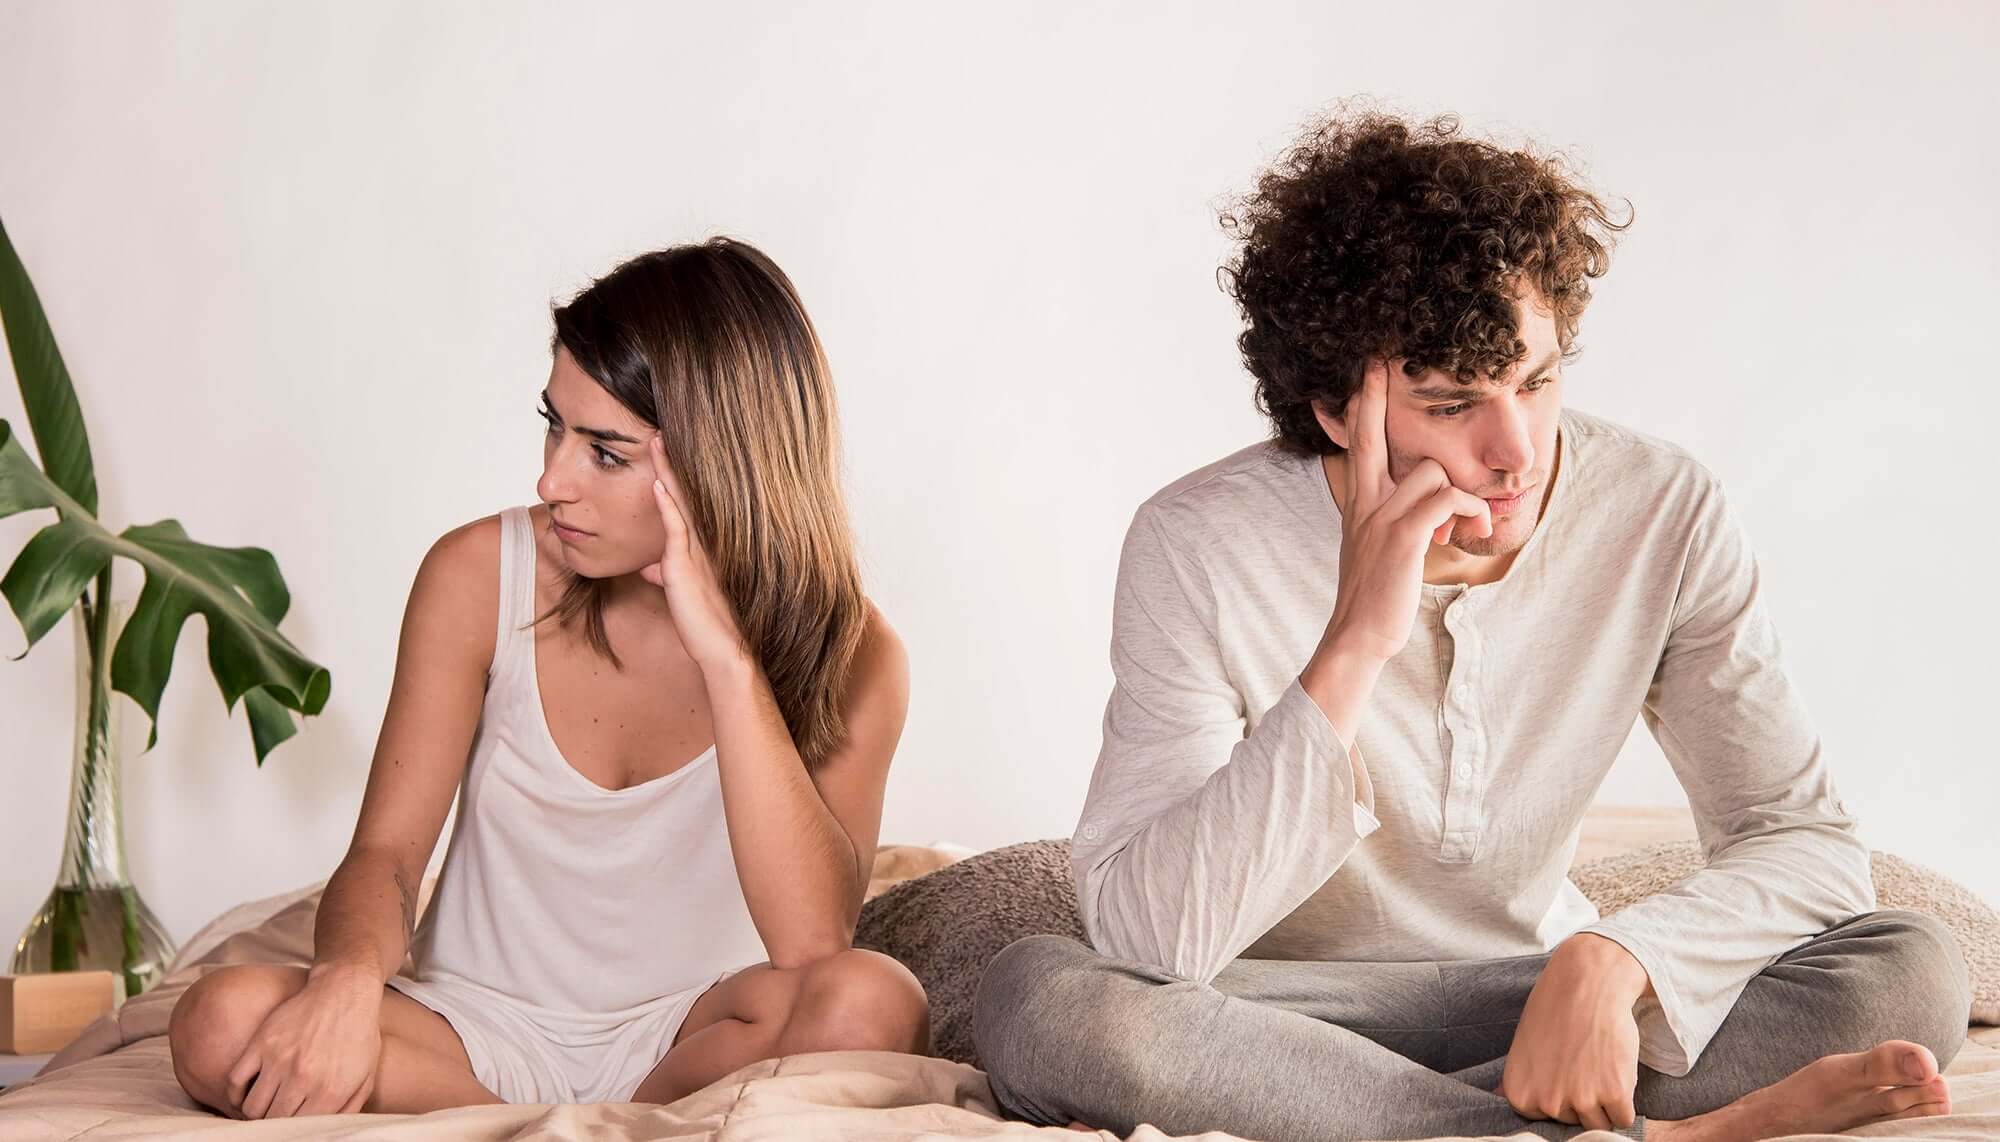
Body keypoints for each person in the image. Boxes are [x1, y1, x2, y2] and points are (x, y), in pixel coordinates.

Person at [972, 111, 1971, 1141]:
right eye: (1452, 405)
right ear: (1333, 411)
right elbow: (1148, 940)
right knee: (1043, 1002)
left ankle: (1499, 1115)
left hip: (1537, 992)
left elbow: (1798, 840)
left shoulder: (1662, 506)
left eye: (1536, 383)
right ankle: (1651, 1134)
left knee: (1909, 966)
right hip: (1271, 1018)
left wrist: (1614, 961)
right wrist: (1354, 640)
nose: (1516, 451)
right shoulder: (1196, 540)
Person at [168, 238, 927, 1117]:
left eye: (606, 453)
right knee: (221, 1021)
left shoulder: (859, 654)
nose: (552, 479)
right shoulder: (476, 574)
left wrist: (727, 658)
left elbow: (814, 944)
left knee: (875, 1001)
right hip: (473, 1032)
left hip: (691, 1045)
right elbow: (386, 855)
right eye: (554, 425)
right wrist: (341, 984)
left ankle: (587, 1124)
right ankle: (574, 1130)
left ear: (722, 464)